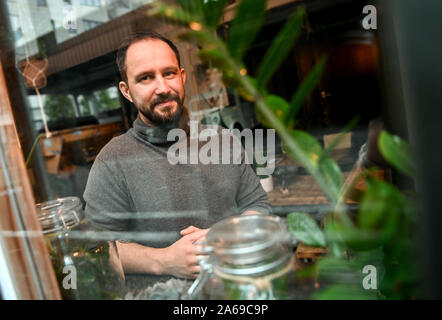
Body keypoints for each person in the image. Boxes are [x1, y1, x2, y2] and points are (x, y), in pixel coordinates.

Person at [83, 31, 272, 286]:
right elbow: (95, 248)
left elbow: (259, 205)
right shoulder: (112, 162)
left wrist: (227, 234)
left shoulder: (223, 140)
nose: (162, 88)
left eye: (169, 73)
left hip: (239, 290)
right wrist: (164, 260)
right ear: (126, 91)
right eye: (146, 78)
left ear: (182, 77)